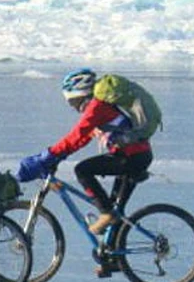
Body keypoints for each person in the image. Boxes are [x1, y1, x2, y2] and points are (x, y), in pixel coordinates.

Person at [16, 67, 155, 239]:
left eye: (72, 102)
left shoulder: (97, 106)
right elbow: (82, 140)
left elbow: (77, 135)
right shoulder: (101, 106)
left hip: (131, 157)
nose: (74, 108)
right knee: (115, 213)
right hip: (135, 155)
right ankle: (109, 259)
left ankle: (106, 213)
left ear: (79, 94)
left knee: (82, 170)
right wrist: (58, 156)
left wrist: (49, 155)